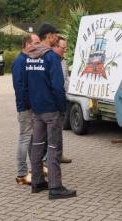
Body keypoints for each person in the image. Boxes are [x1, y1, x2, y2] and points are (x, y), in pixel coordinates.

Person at [25, 23, 76, 199]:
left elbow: (28, 83)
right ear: (49, 36)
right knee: (54, 147)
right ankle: (55, 187)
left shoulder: (30, 56)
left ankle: (37, 182)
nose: (56, 38)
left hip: (37, 109)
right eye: (55, 35)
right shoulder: (51, 58)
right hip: (51, 110)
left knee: (38, 146)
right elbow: (57, 86)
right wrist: (62, 107)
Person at [12, 33, 40, 185]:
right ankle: (21, 173)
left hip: (32, 106)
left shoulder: (29, 60)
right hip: (25, 108)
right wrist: (28, 105)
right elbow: (19, 87)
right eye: (36, 43)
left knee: (31, 139)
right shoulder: (20, 62)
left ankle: (34, 169)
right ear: (27, 45)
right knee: (24, 138)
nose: (38, 45)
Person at [52, 36, 72, 164]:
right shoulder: (50, 61)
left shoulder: (63, 61)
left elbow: (65, 79)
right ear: (55, 47)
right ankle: (50, 156)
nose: (64, 50)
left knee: (59, 129)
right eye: (62, 48)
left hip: (63, 98)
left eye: (66, 48)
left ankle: (59, 154)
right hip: (53, 101)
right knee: (52, 130)